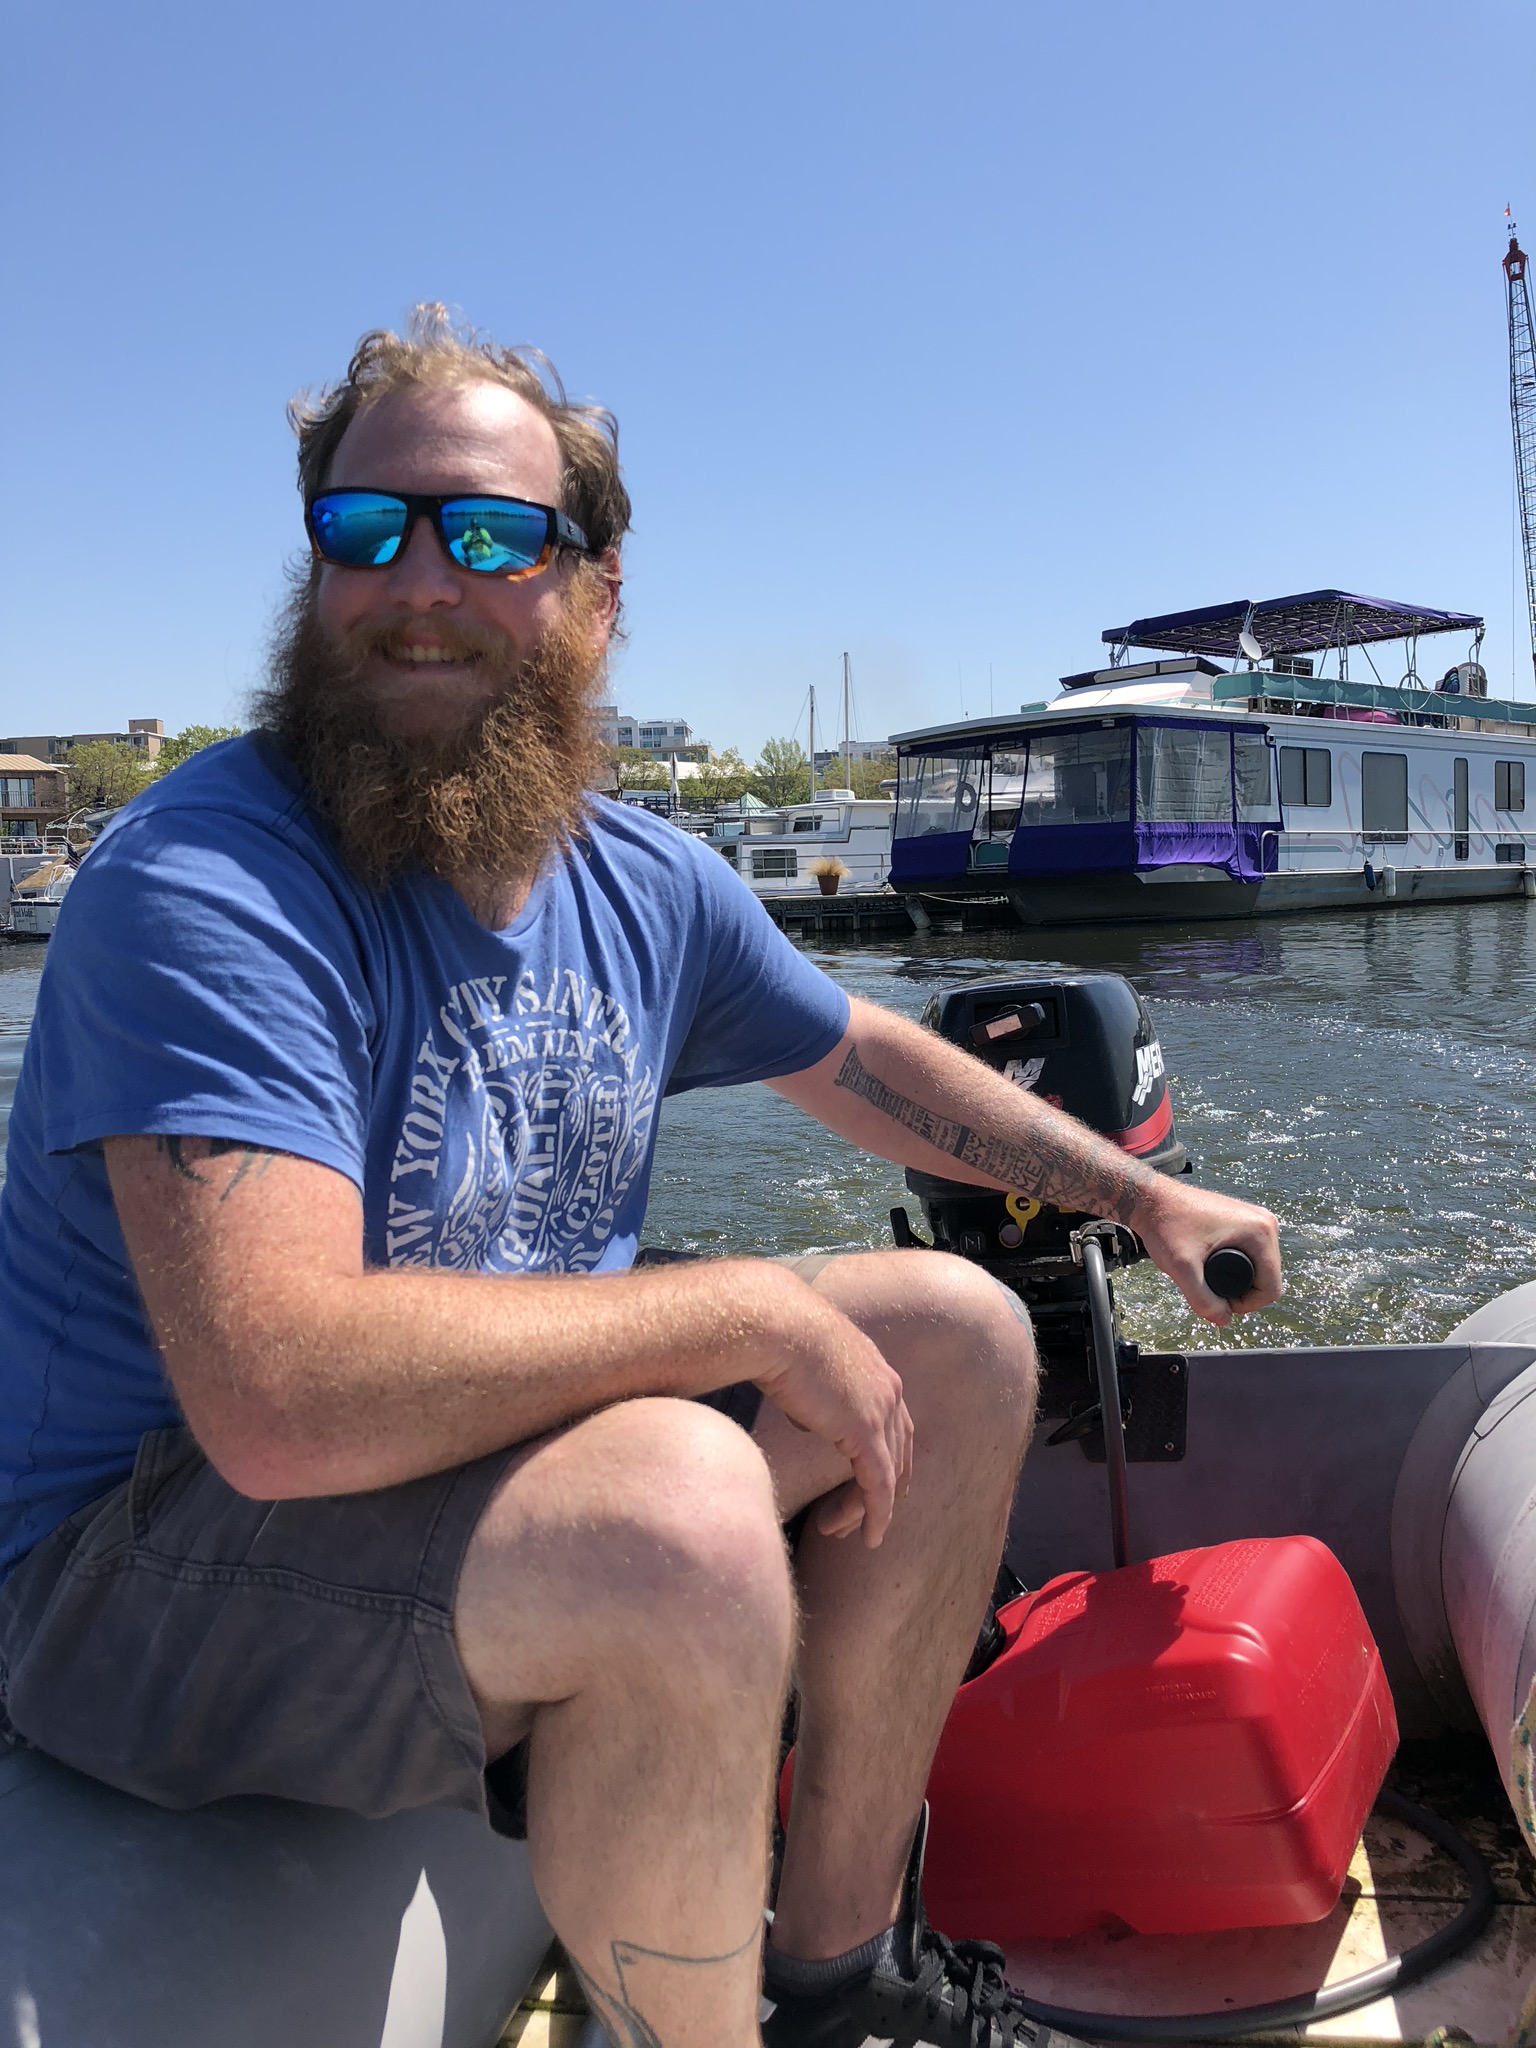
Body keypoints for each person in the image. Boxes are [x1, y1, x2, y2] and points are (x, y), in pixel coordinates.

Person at [0, 308, 1282, 2048]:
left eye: (495, 534)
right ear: (316, 576)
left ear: (598, 594)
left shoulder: (637, 877)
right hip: (127, 1569)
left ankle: (835, 1976)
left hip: (447, 1474)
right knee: (678, 1510)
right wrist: (744, 1309)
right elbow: (279, 1399)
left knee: (962, 1337)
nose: (421, 581)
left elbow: (872, 1062)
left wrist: (1140, 1201)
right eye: (367, 532)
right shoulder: (206, 886)